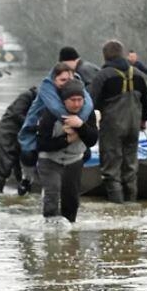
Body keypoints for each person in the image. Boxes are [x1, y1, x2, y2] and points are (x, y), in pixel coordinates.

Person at [18, 58, 94, 196]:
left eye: (69, 79)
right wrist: (74, 124)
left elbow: (88, 105)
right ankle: (27, 179)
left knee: (86, 153)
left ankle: (70, 177)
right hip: (38, 128)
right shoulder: (47, 87)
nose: (67, 83)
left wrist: (80, 124)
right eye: (62, 80)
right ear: (54, 80)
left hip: (66, 128)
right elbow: (57, 109)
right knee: (28, 154)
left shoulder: (76, 83)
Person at [89, 39, 147, 203]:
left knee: (111, 171)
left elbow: (92, 103)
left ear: (105, 57)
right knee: (130, 169)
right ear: (122, 54)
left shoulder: (102, 76)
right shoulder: (138, 74)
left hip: (111, 127)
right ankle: (131, 205)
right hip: (134, 127)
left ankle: (118, 209)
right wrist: (144, 119)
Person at [35, 78, 98, 222]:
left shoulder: (89, 114)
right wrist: (66, 140)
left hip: (74, 160)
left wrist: (81, 126)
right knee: (53, 195)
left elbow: (92, 140)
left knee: (71, 202)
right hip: (49, 160)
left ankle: (70, 237)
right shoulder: (50, 114)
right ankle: (50, 233)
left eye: (80, 100)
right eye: (72, 100)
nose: (77, 104)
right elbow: (41, 144)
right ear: (63, 101)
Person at [0, 86, 37, 192]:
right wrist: (35, 126)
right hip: (7, 133)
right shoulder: (27, 96)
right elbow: (17, 114)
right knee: (4, 167)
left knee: (19, 168)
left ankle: (21, 196)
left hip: (21, 135)